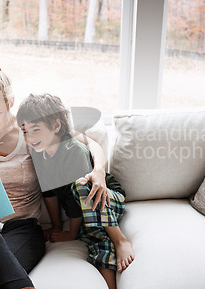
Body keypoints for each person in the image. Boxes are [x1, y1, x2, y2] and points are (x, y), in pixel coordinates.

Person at [0, 64, 110, 289]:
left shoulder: (31, 132)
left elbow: (90, 142)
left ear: (10, 104)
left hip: (22, 230)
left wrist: (98, 170)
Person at [16, 93, 135, 289]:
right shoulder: (38, 153)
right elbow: (49, 193)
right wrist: (56, 225)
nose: (30, 138)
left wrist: (71, 233)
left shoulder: (73, 150)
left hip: (108, 199)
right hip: (87, 211)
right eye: (25, 131)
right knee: (96, 238)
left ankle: (120, 240)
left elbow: (77, 199)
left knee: (81, 186)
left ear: (56, 126)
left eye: (35, 130)